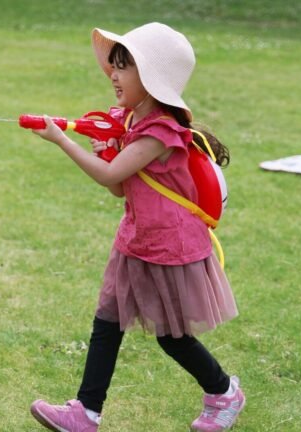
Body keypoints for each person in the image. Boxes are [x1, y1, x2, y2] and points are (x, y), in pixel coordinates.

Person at [27, 23, 244, 432]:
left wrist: (62, 141)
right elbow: (117, 187)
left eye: (125, 67)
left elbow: (107, 173)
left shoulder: (160, 132)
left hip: (169, 246)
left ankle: (223, 392)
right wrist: (110, 145)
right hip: (136, 239)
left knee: (172, 336)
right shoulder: (131, 124)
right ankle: (85, 413)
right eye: (115, 64)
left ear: (152, 77)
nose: (113, 73)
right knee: (107, 321)